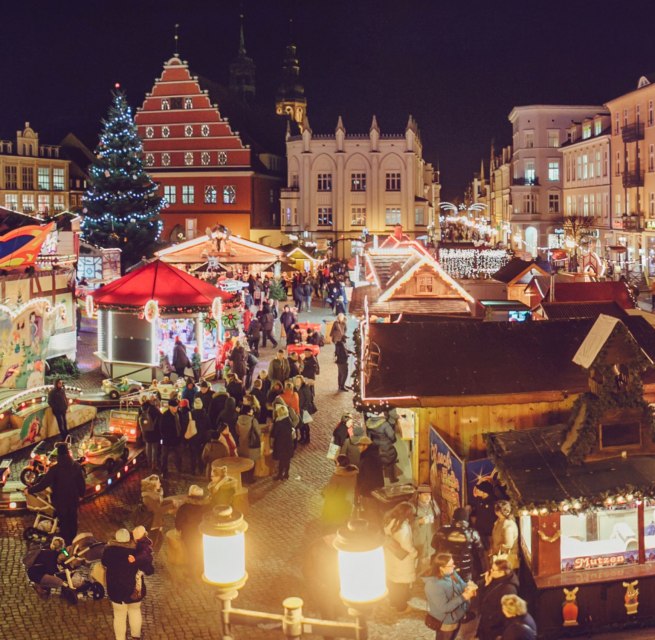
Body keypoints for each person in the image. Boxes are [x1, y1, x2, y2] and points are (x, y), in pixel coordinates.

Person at [102, 528, 154, 640]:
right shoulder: (135, 553)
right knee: (135, 611)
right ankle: (136, 636)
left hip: (116, 591)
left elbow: (104, 562)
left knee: (119, 616)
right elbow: (149, 570)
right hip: (134, 590)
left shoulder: (109, 552)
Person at [27, 442, 85, 544]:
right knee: (72, 520)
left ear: (58, 455)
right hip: (73, 499)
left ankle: (64, 544)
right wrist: (81, 495)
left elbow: (43, 484)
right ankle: (72, 542)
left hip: (60, 500)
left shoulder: (55, 469)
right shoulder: (76, 466)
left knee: (63, 522)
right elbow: (81, 483)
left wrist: (30, 490)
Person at [424, 552, 476, 640]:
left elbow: (462, 584)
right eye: (451, 565)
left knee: (453, 637)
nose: (454, 566)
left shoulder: (451, 573)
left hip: (457, 615)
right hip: (447, 622)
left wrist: (469, 587)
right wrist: (463, 597)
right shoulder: (433, 585)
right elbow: (444, 608)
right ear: (441, 568)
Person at [432, 507, 487, 583]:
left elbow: (433, 545)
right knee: (465, 589)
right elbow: (480, 551)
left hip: (446, 565)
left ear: (453, 518)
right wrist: (482, 569)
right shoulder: (472, 533)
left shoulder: (443, 530)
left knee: (447, 587)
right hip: (465, 568)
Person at [383, 501, 418, 613]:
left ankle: (393, 602)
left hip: (391, 555)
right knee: (402, 584)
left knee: (393, 580)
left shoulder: (390, 521)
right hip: (403, 559)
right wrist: (415, 553)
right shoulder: (403, 527)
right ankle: (401, 607)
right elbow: (406, 545)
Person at [477, 558, 520, 640]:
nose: (490, 571)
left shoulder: (509, 589)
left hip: (494, 627)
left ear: (502, 572)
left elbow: (506, 614)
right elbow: (485, 596)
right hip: (487, 621)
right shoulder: (495, 578)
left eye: (493, 570)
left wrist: (492, 623)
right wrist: (486, 584)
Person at [175, 485, 211, 579]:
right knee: (202, 551)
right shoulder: (207, 507)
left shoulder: (184, 507)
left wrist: (178, 529)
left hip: (189, 534)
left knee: (191, 553)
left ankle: (192, 573)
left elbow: (178, 521)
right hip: (202, 533)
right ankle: (204, 570)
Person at [320, 455, 358, 529]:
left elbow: (331, 489)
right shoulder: (353, 473)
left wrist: (324, 493)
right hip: (347, 498)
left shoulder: (337, 476)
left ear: (338, 464)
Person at [354, 435, 384, 520]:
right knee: (373, 512)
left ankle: (373, 529)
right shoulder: (372, 456)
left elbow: (368, 478)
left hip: (369, 493)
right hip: (374, 491)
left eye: (360, 445)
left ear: (365, 446)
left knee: (371, 513)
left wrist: (361, 491)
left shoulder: (368, 459)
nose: (358, 447)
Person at [413, 485, 440, 576]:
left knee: (428, 562)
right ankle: (418, 579)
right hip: (419, 541)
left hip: (431, 541)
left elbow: (438, 520)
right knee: (418, 563)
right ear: (419, 495)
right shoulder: (413, 507)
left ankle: (426, 580)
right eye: (425, 495)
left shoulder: (433, 506)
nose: (428, 497)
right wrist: (419, 521)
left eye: (429, 495)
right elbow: (406, 524)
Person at [366, 412, 399, 483]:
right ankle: (392, 479)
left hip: (375, 445)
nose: (384, 414)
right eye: (382, 413)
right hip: (386, 446)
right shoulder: (385, 424)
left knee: (379, 461)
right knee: (389, 462)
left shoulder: (370, 423)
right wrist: (393, 441)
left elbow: (369, 436)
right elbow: (392, 436)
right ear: (379, 414)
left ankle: (378, 479)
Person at [490, 501, 519, 570]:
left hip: (505, 559)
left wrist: (496, 549)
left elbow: (508, 544)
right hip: (499, 556)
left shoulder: (507, 526)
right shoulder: (499, 521)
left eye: (497, 510)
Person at [236, 403, 261, 482]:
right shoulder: (253, 420)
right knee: (251, 462)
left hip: (241, 444)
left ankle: (242, 478)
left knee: (242, 461)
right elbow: (258, 432)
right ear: (248, 412)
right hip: (250, 445)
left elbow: (237, 431)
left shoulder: (238, 419)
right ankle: (249, 479)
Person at [470, 481, 498, 550]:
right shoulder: (479, 500)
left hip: (489, 534)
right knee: (481, 552)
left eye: (479, 490)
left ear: (485, 492)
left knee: (490, 551)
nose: (476, 491)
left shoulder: (494, 502)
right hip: (479, 531)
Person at [271, 403, 295, 480]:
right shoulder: (288, 420)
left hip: (280, 444)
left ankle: (280, 474)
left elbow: (274, 433)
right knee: (287, 459)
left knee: (281, 460)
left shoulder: (278, 422)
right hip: (288, 443)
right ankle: (286, 474)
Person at [160, 398, 183, 477]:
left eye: (176, 406)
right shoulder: (165, 415)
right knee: (164, 456)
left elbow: (182, 425)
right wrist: (166, 436)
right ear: (169, 407)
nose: (174, 408)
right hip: (167, 440)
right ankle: (164, 471)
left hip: (177, 439)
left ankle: (179, 468)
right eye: (173, 407)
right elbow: (162, 428)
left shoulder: (179, 414)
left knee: (178, 455)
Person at [138, 396, 161, 471]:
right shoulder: (154, 409)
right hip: (154, 432)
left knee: (148, 446)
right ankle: (154, 465)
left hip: (145, 432)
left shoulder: (141, 408)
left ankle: (148, 463)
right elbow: (161, 417)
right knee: (154, 449)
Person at [188, 397, 211, 475]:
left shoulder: (191, 414)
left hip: (193, 437)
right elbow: (208, 427)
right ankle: (201, 469)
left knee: (192, 455)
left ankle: (192, 470)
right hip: (202, 438)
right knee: (201, 454)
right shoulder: (206, 415)